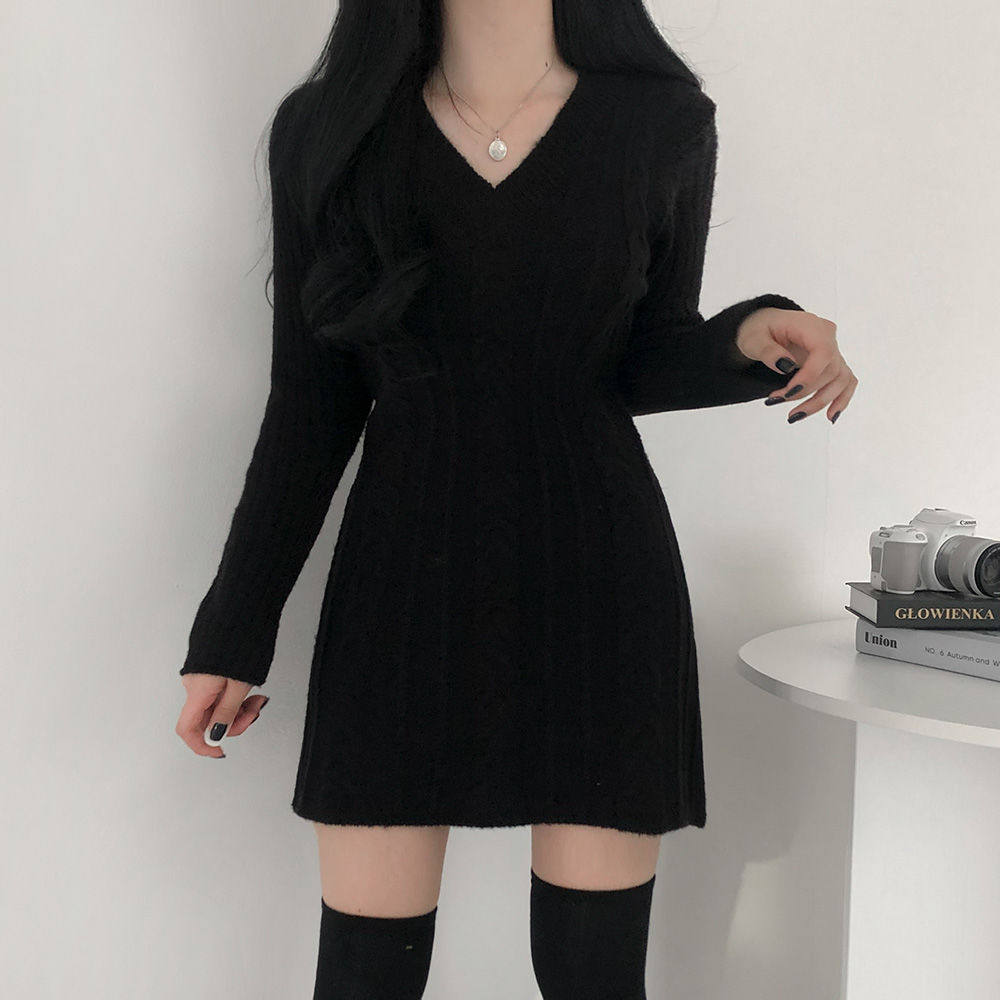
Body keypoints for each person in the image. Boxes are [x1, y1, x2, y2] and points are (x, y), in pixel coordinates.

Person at [174, 1, 857, 997]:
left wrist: (750, 334)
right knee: (364, 977)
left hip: (598, 582)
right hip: (399, 587)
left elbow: (642, 355)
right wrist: (232, 632)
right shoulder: (330, 128)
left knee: (592, 978)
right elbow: (312, 405)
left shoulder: (661, 120)